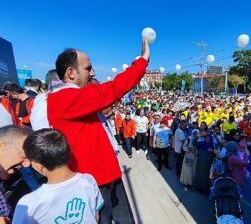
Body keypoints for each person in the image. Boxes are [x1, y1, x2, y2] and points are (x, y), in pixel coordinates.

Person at [47, 38, 149, 223]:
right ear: (71, 72)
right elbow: (113, 88)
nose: (93, 73)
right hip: (95, 179)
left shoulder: (68, 98)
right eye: (88, 68)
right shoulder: (65, 97)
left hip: (101, 175)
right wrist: (142, 61)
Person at [13, 128, 104, 223]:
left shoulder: (27, 204)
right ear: (68, 152)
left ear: (39, 165)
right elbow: (95, 216)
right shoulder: (88, 180)